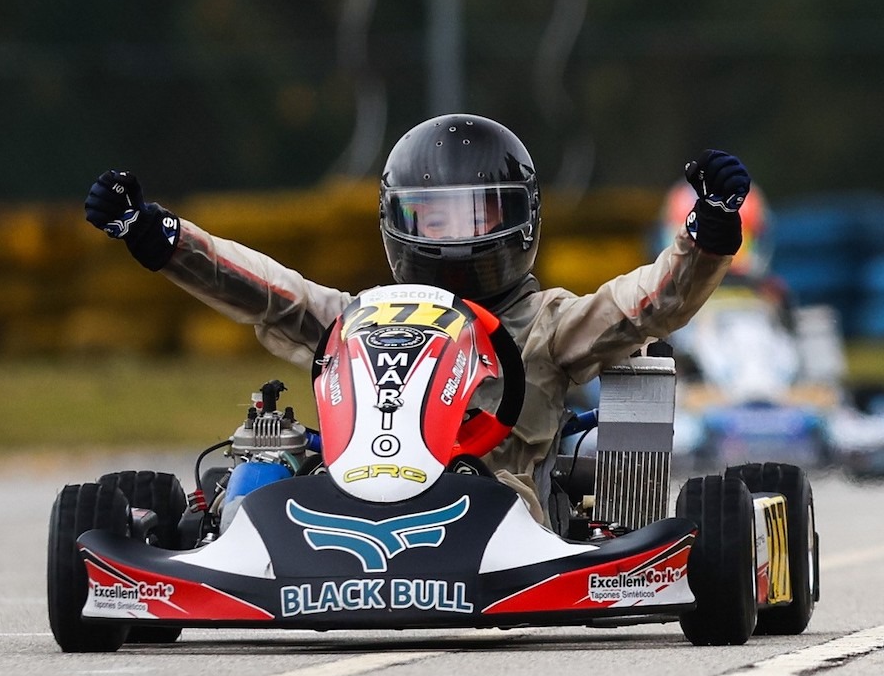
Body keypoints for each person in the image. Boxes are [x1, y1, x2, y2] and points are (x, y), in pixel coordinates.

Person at [84, 114, 749, 518]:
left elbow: (643, 305)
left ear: (518, 219)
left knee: (628, 393)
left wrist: (708, 234)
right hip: (355, 500)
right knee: (261, 460)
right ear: (397, 221)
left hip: (495, 508)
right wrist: (159, 237)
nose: (455, 238)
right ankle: (245, 533)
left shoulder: (548, 323)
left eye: (476, 215)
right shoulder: (364, 316)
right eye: (432, 217)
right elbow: (269, 292)